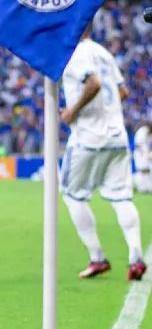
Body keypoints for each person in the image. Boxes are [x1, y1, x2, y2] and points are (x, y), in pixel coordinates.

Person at [60, 24, 146, 281]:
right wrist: (106, 112)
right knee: (121, 198)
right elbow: (122, 91)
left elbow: (94, 84)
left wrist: (72, 112)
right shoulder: (103, 53)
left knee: (72, 195)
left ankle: (97, 258)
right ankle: (136, 257)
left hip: (88, 137)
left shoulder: (74, 53)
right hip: (116, 136)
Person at [133, 124, 152, 194]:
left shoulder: (146, 131)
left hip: (144, 153)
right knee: (141, 170)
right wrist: (144, 154)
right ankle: (141, 187)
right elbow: (138, 144)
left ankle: (147, 187)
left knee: (147, 170)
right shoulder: (142, 131)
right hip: (139, 154)